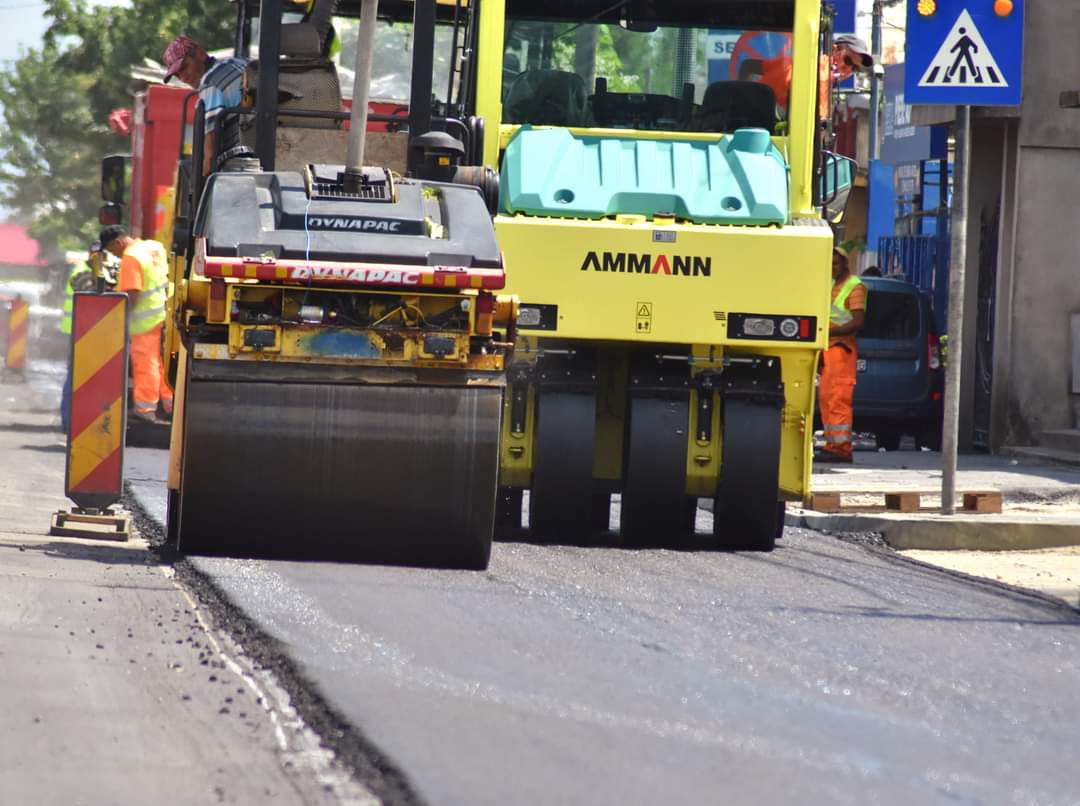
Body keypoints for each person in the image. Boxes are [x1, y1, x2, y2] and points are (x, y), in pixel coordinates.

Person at [99, 225, 173, 423]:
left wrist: (121, 317)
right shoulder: (154, 247)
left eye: (112, 250)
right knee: (159, 362)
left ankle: (145, 408)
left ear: (118, 243)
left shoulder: (131, 257)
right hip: (162, 311)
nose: (114, 255)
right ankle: (169, 403)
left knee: (145, 363)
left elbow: (133, 292)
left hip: (144, 320)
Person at [162, 35, 250, 175]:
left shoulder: (209, 83)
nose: (183, 77)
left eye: (184, 67)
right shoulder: (238, 61)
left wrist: (202, 177)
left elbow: (210, 156)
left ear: (199, 54)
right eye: (178, 75)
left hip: (244, 159)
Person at [817, 246, 867, 463]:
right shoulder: (830, 284)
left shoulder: (855, 286)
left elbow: (857, 322)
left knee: (838, 399)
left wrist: (827, 332)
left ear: (845, 263)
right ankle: (832, 446)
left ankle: (841, 449)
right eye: (829, 264)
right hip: (829, 349)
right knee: (827, 398)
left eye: (836, 264)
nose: (832, 268)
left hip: (842, 350)